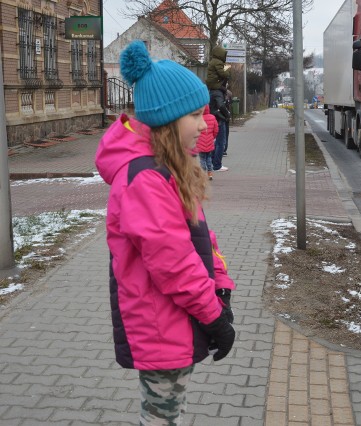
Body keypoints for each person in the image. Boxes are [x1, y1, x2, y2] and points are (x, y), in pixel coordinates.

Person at [95, 40, 236, 425]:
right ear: (168, 122)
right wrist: (214, 319)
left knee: (168, 410)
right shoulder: (145, 180)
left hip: (175, 317)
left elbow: (199, 237)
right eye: (194, 115)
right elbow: (173, 263)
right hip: (160, 323)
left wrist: (220, 285)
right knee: (161, 415)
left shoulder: (167, 171)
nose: (206, 123)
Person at [196, 104, 219, 180]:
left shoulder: (199, 118)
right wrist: (213, 137)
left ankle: (203, 174)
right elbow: (216, 130)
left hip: (200, 142)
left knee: (202, 159)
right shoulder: (212, 117)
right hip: (209, 141)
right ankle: (210, 173)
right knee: (209, 158)